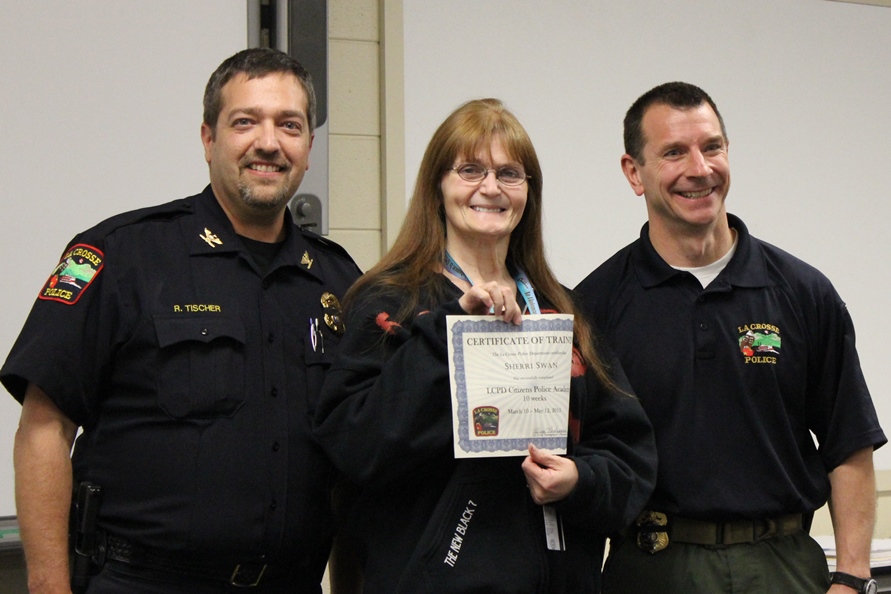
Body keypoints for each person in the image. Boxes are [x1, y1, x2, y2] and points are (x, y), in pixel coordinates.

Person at [1, 47, 362, 593]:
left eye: (289, 125)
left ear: (309, 148)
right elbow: (43, 429)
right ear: (208, 139)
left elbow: (350, 456)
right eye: (245, 122)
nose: (269, 142)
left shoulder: (338, 280)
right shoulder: (121, 255)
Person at [312, 98, 657, 593]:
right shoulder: (389, 303)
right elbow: (356, 445)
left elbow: (628, 451)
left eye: (509, 173)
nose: (491, 188)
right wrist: (451, 330)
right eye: (470, 170)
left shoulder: (563, 311)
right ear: (437, 186)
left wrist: (580, 481)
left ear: (528, 192)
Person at [574, 81, 886, 594]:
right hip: (652, 566)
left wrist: (852, 578)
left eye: (712, 146)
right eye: (674, 152)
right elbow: (582, 464)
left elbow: (848, 443)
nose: (700, 168)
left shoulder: (803, 293)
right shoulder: (595, 306)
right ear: (634, 172)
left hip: (782, 566)